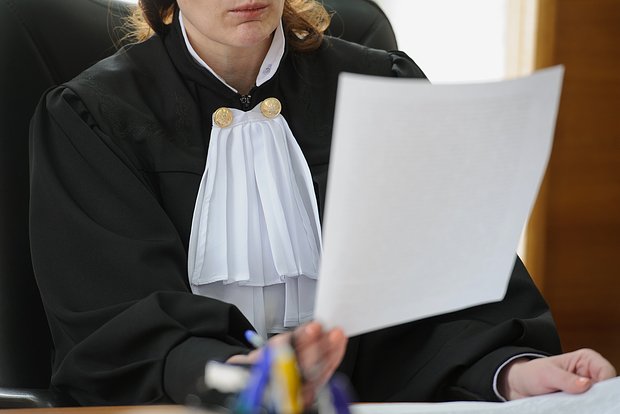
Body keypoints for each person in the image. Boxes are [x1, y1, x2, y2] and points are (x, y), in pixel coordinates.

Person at [29, 0, 615, 407]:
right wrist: (244, 378)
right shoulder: (92, 117)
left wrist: (512, 372)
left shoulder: (383, 85)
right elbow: (118, 325)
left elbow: (446, 294)